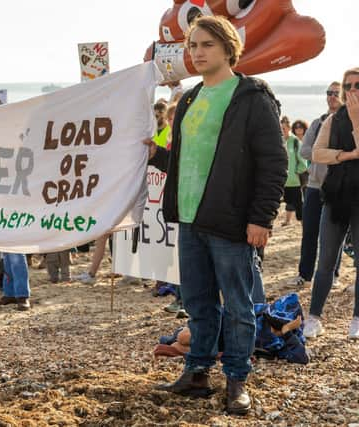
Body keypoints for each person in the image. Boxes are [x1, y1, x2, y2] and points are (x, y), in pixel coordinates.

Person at [145, 16, 287, 415]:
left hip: (231, 221)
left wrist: (262, 218)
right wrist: (156, 155)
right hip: (188, 219)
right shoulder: (188, 99)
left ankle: (238, 379)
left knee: (239, 306)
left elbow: (273, 163)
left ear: (228, 47)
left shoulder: (252, 95)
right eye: (193, 46)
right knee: (199, 302)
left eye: (206, 44)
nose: (197, 52)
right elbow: (186, 159)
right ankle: (197, 372)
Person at [306, 67, 359, 339]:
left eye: (357, 85)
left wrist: (355, 118)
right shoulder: (332, 119)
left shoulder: (346, 116)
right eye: (347, 86)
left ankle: (356, 320)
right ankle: (314, 317)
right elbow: (316, 152)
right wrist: (346, 155)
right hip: (336, 196)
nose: (352, 91)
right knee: (325, 258)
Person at [289, 81, 344, 288]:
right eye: (328, 93)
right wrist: (332, 154)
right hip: (314, 187)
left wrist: (323, 153)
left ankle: (334, 275)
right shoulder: (317, 123)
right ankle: (305, 274)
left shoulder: (349, 124)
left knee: (334, 237)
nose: (331, 96)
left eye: (335, 93)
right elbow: (304, 152)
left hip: (338, 189)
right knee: (309, 232)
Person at [280, 116, 308, 226]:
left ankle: (305, 229)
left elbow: (303, 163)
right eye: (280, 128)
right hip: (280, 181)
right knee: (273, 206)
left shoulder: (295, 142)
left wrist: (295, 172)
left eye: (284, 128)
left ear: (288, 128)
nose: (282, 130)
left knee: (299, 208)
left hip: (294, 181)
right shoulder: (278, 141)